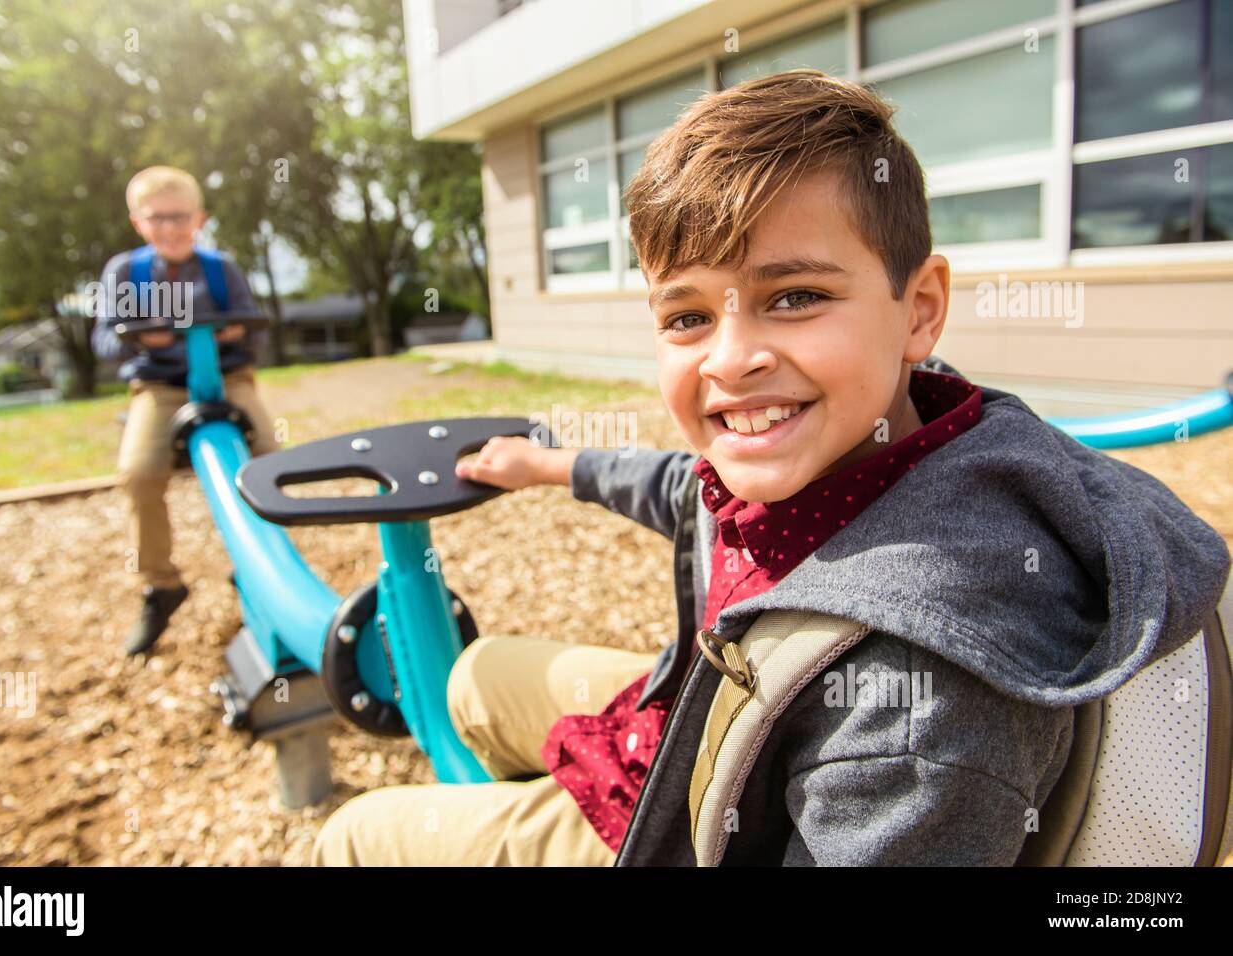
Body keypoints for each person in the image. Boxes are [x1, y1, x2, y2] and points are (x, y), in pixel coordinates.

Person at [311, 71, 1230, 866]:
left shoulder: (915, 717)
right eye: (687, 316)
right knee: (476, 680)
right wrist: (548, 465)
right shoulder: (910, 432)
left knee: (351, 838)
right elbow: (686, 488)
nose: (730, 358)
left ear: (920, 308)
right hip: (711, 731)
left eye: (795, 297)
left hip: (693, 825)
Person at [92, 166, 279, 656]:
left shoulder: (221, 269)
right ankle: (161, 585)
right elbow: (104, 338)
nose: (171, 228)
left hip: (226, 378)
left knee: (269, 456)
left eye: (180, 217)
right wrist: (142, 338)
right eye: (158, 219)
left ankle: (259, 572)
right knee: (138, 473)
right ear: (139, 222)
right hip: (159, 385)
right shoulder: (124, 272)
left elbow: (256, 329)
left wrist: (230, 335)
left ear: (199, 219)